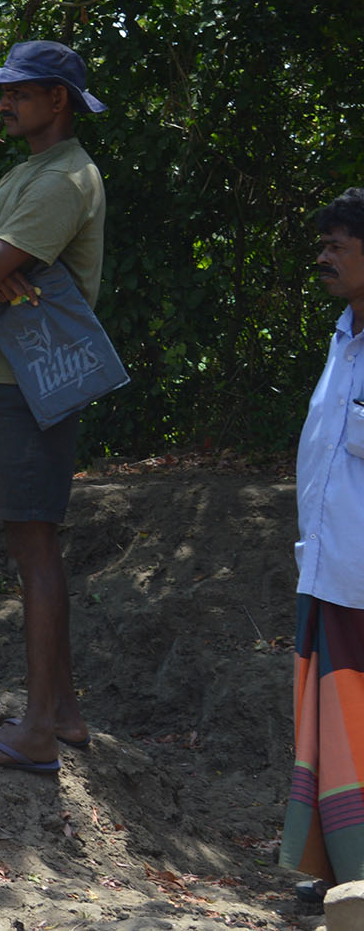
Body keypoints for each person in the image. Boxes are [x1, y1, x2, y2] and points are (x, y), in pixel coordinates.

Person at [0, 40, 107, 774]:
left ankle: (39, 730)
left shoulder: (65, 178)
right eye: (3, 92)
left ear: (58, 99)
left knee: (36, 546)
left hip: (29, 386)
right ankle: (61, 713)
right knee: (24, 543)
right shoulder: (22, 173)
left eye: (19, 92)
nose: (4, 103)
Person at [282, 187, 364, 899]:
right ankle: (338, 871)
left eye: (338, 243)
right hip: (329, 567)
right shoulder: (345, 334)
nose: (324, 255)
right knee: (331, 729)